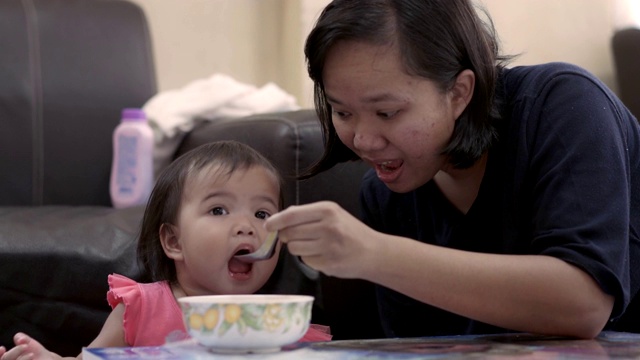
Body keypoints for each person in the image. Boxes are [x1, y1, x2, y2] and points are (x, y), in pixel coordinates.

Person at [265, 0, 640, 340]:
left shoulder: (562, 106)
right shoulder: (386, 195)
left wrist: (375, 254)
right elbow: (418, 347)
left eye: (387, 113)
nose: (363, 140)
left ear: (460, 92)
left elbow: (584, 305)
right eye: (343, 112)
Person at [0, 140, 331, 360]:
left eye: (263, 214)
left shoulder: (279, 319)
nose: (247, 226)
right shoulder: (141, 308)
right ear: (174, 242)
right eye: (218, 210)